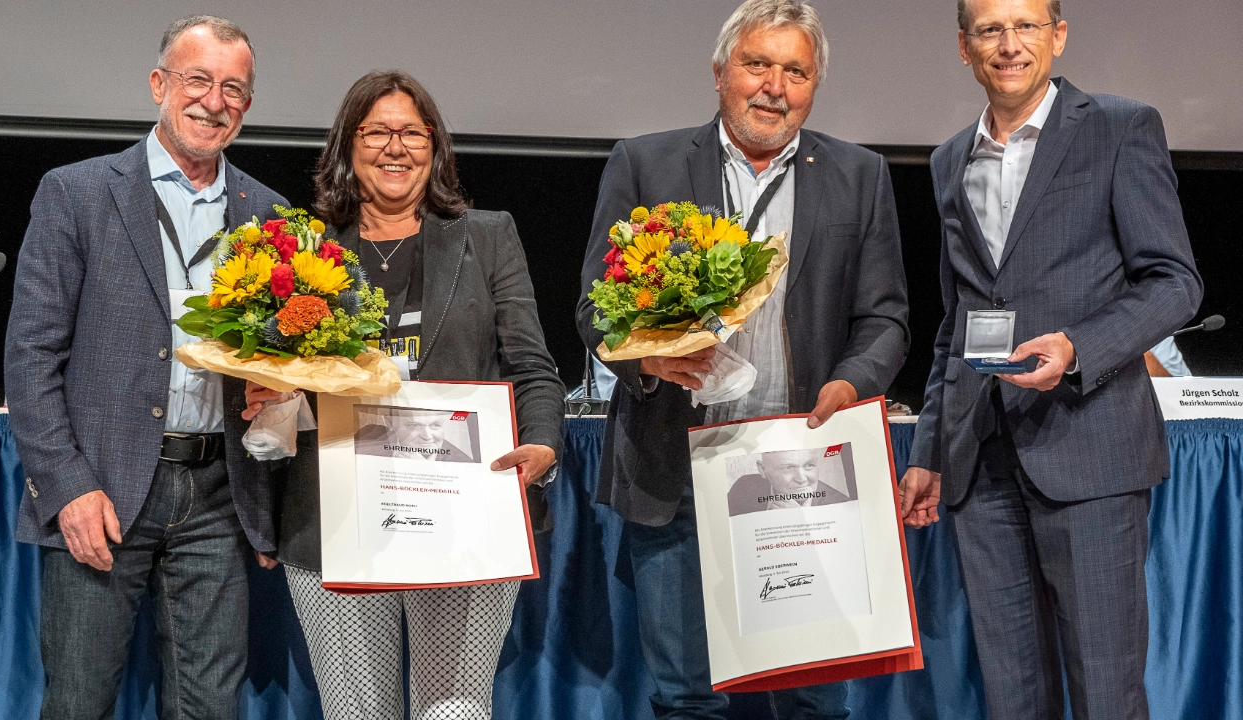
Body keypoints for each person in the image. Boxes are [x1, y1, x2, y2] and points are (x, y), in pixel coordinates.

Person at [575, 0, 909, 716]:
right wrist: (647, 362)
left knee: (813, 700)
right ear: (721, 71)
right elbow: (595, 309)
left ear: (814, 84)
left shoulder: (860, 175)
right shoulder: (646, 163)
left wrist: (851, 382)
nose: (774, 87)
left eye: (796, 71)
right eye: (757, 64)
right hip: (675, 468)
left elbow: (885, 319)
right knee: (685, 697)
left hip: (804, 473)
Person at [898, 1, 1202, 718]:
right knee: (1013, 699)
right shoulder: (949, 159)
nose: (1009, 44)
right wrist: (932, 450)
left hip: (1090, 450)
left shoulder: (1121, 128)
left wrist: (1078, 348)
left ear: (1057, 36)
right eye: (990, 30)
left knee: (1105, 693)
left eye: (1027, 26)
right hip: (980, 461)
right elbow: (958, 319)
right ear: (965, 47)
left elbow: (1175, 282)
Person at [242, 70, 565, 720]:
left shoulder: (487, 236)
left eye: (412, 133)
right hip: (332, 517)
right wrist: (268, 395)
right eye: (377, 132)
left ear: (434, 146)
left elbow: (533, 365)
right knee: (357, 713)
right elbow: (274, 381)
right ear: (348, 144)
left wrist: (542, 444)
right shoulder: (301, 250)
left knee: (455, 712)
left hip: (465, 512)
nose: (396, 147)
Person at [4, 15, 287, 718]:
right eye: (198, 80)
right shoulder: (76, 192)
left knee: (209, 708)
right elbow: (31, 357)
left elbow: (281, 372)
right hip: (100, 489)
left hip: (220, 495)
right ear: (160, 84)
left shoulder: (270, 215)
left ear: (248, 105)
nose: (213, 102)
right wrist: (68, 488)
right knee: (79, 701)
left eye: (233, 89)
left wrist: (277, 404)